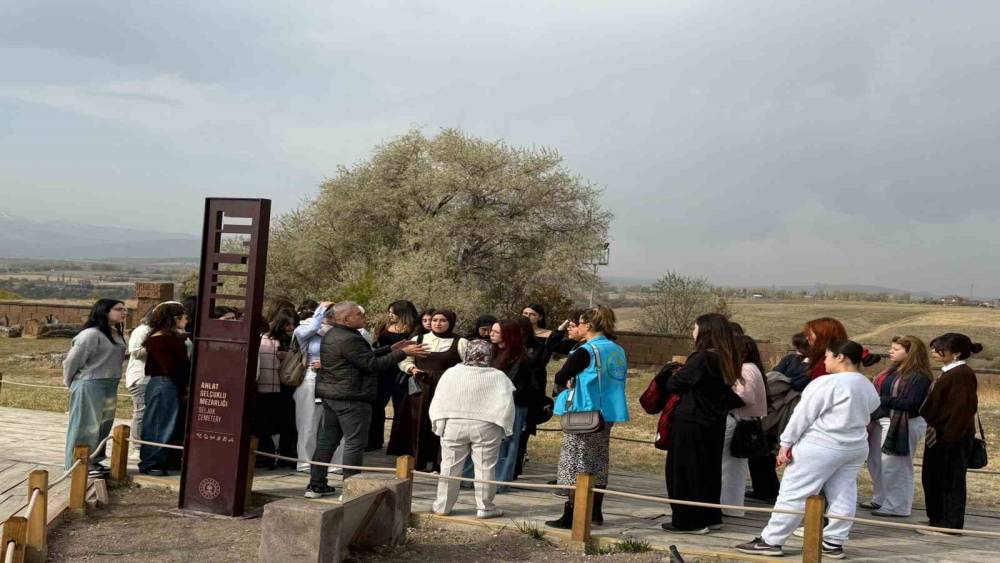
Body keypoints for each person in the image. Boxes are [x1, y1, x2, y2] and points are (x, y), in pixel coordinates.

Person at [735, 340, 880, 559]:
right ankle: (834, 541)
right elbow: (873, 407)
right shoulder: (867, 384)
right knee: (844, 493)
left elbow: (803, 415)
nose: (825, 361)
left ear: (840, 357)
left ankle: (772, 540)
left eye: (828, 356)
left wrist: (786, 443)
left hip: (821, 444)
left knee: (794, 492)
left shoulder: (827, 383)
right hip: (854, 445)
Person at [306, 302, 427, 498]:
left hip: (333, 395)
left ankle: (316, 484)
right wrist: (403, 353)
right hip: (351, 397)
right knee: (354, 443)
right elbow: (371, 364)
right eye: (358, 315)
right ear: (346, 319)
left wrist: (391, 348)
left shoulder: (335, 334)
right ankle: (350, 489)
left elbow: (361, 357)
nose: (364, 318)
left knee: (327, 441)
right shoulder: (349, 338)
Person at [545, 305, 628, 529]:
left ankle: (572, 513)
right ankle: (595, 511)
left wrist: (567, 381)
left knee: (575, 461)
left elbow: (563, 375)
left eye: (579, 323)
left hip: (584, 410)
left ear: (588, 325)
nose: (576, 326)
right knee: (598, 460)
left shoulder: (586, 351)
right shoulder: (616, 349)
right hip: (607, 411)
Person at [660, 313, 743, 534]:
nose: (692, 332)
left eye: (695, 328)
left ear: (705, 332)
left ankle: (689, 520)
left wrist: (672, 371)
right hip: (713, 422)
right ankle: (709, 515)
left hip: (692, 421)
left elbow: (675, 383)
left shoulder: (702, 358)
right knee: (708, 470)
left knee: (684, 471)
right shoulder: (726, 357)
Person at [429, 340, 516, 518]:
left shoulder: (452, 372)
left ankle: (443, 506)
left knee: (449, 466)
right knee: (485, 467)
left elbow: (439, 398)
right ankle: (485, 508)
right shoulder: (498, 376)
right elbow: (507, 402)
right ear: (489, 355)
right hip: (487, 425)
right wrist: (504, 426)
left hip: (454, 423)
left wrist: (439, 423)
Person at [388, 310, 469, 471]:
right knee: (419, 422)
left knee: (443, 423)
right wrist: (412, 368)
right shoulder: (418, 339)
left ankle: (440, 462)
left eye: (443, 320)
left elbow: (467, 365)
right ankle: (419, 461)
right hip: (421, 387)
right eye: (434, 320)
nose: (438, 323)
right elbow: (404, 359)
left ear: (450, 322)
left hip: (447, 388)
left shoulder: (460, 342)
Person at [918, 332, 982, 534]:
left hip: (951, 436)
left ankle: (950, 523)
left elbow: (962, 409)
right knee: (933, 477)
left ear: (956, 353)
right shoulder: (949, 371)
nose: (934, 352)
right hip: (939, 433)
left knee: (950, 480)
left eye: (939, 349)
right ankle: (936, 519)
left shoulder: (962, 374)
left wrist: (951, 438)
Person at [862, 335, 932, 517]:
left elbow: (912, 403)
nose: (890, 351)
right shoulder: (892, 370)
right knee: (876, 461)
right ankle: (881, 497)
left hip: (903, 422)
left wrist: (879, 400)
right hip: (882, 419)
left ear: (910, 353)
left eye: (896, 349)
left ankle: (897, 506)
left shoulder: (920, 376)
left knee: (896, 464)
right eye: (891, 348)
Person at [63, 299, 128, 474]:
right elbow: (71, 361)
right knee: (85, 425)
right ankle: (77, 463)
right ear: (105, 311)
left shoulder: (115, 332)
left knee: (103, 424)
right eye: (119, 309)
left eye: (125, 309)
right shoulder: (90, 334)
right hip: (90, 383)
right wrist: (70, 383)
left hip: (110, 383)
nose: (124, 312)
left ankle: (95, 460)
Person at [125, 301, 185, 455]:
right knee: (143, 412)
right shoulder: (145, 331)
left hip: (159, 377)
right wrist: (161, 346)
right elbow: (135, 352)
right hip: (142, 376)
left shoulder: (170, 332)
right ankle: (138, 447)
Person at [138, 302, 191, 476]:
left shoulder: (166, 337)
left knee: (165, 423)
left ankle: (161, 460)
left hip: (166, 382)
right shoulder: (161, 339)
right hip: (165, 382)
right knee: (159, 424)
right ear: (174, 318)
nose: (187, 319)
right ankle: (151, 462)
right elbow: (170, 366)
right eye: (184, 316)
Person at [721, 335, 767, 517]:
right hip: (747, 422)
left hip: (740, 422)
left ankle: (728, 506)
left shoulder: (746, 369)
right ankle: (731, 506)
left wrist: (724, 394)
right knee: (735, 468)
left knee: (729, 467)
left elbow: (745, 397)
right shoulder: (754, 368)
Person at [369, 300, 420, 451]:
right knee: (377, 406)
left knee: (401, 407)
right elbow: (377, 343)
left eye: (393, 312)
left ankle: (399, 445)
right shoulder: (383, 326)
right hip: (383, 370)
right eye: (389, 312)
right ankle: (373, 441)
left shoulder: (415, 329)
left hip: (402, 372)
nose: (390, 315)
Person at [490, 319, 532, 491]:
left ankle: (501, 481)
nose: (491, 334)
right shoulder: (492, 352)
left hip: (514, 404)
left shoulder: (520, 358)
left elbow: (519, 385)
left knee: (510, 441)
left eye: (496, 332)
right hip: (492, 403)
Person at [292, 301, 333, 471]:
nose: (330, 317)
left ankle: (332, 464)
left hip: (332, 380)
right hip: (310, 378)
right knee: (307, 423)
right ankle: (305, 463)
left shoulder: (339, 332)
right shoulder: (305, 328)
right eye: (327, 313)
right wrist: (321, 309)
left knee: (331, 425)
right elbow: (311, 329)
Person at [253, 310, 297, 468]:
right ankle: (267, 458)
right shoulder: (267, 339)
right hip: (271, 390)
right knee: (267, 426)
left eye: (293, 324)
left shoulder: (293, 339)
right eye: (287, 324)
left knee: (287, 426)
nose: (290, 327)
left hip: (287, 388)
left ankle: (285, 457)